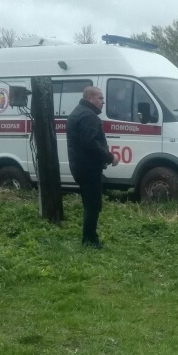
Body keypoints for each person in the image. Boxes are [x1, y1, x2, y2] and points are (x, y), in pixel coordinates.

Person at [66, 86, 119, 248]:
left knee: (90, 204)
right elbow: (90, 144)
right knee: (93, 205)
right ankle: (90, 241)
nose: (103, 102)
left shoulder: (78, 112)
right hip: (88, 168)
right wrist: (110, 157)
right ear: (90, 98)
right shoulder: (89, 116)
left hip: (79, 166)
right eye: (100, 98)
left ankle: (89, 237)